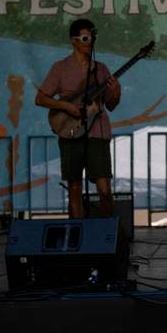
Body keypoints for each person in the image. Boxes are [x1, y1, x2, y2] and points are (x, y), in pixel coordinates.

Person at [35, 18, 121, 218]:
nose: (88, 42)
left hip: (97, 131)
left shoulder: (101, 69)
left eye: (91, 38)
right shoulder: (60, 68)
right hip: (70, 132)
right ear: (73, 40)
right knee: (74, 186)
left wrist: (115, 91)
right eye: (84, 38)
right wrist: (66, 106)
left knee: (104, 189)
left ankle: (108, 233)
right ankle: (78, 231)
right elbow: (40, 98)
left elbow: (112, 105)